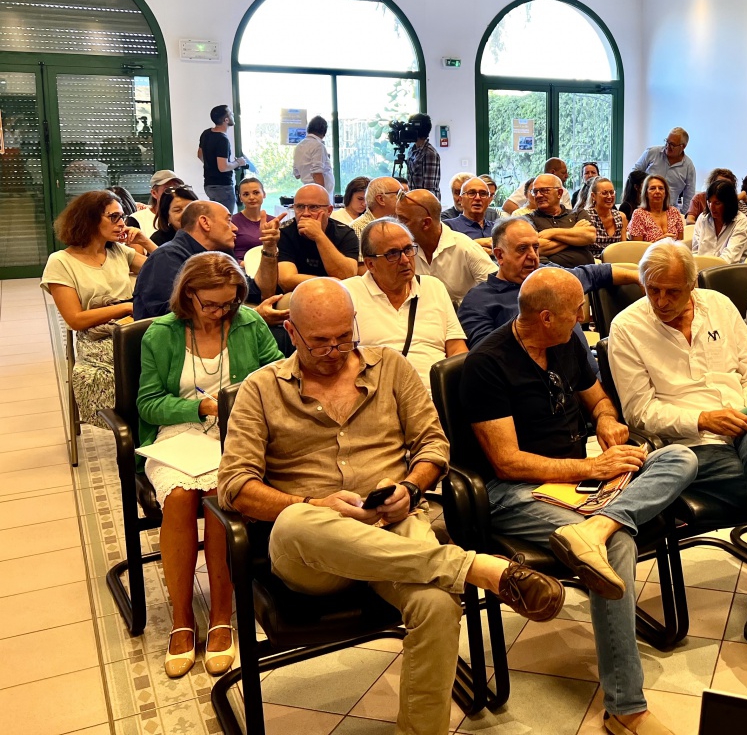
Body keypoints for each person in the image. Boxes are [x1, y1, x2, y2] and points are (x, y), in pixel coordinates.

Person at [219, 279, 565, 735]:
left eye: (344, 337)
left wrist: (411, 488)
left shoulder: (391, 368)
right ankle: (475, 567)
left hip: (393, 525)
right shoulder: (262, 389)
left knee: (437, 604)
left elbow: (433, 445)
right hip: (314, 550)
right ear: (292, 332)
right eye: (320, 341)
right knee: (295, 521)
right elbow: (234, 486)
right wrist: (316, 503)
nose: (334, 351)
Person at [462, 267, 698, 735]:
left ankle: (595, 526)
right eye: (576, 311)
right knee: (618, 545)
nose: (585, 316)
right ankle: (625, 708)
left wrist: (606, 421)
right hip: (516, 491)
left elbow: (598, 401)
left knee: (679, 458)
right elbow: (507, 463)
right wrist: (591, 468)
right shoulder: (487, 364)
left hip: (578, 479)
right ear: (546, 317)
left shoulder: (567, 342)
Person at [610, 242, 747, 673]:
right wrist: (703, 418)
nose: (660, 301)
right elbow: (639, 412)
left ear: (692, 285)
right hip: (690, 446)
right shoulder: (628, 327)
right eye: (652, 290)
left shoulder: (718, 305)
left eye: (672, 291)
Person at [136, 252, 282, 678]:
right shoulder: (161, 333)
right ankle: (182, 619)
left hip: (238, 432)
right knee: (180, 498)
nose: (221, 312)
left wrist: (242, 406)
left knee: (223, 495)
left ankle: (221, 616)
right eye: (211, 304)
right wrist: (199, 407)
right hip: (179, 434)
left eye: (229, 302)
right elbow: (147, 404)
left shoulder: (248, 323)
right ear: (188, 295)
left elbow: (278, 376)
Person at [42, 190, 151, 423]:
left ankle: (157, 421)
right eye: (114, 217)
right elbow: (75, 320)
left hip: (130, 327)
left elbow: (165, 270)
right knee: (130, 368)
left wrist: (145, 241)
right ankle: (135, 427)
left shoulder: (118, 251)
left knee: (168, 358)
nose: (121, 223)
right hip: (97, 337)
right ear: (89, 219)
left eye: (122, 217)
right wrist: (126, 308)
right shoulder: (61, 261)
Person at [457, 216, 638, 354]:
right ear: (499, 255)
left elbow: (597, 274)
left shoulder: (552, 276)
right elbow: (487, 356)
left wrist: (640, 277)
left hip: (590, 379)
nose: (532, 256)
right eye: (522, 249)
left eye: (535, 247)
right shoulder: (479, 300)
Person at [343, 218, 467, 384]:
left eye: (408, 249)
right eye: (393, 254)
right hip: (377, 393)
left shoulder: (433, 287)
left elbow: (456, 348)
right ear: (370, 264)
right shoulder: (347, 294)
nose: (405, 260)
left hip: (435, 392)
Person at [133, 201, 238, 319]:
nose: (235, 228)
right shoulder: (166, 257)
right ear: (205, 222)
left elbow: (250, 291)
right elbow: (167, 314)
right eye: (228, 221)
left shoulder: (222, 253)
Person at [396, 189, 497, 305]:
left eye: (403, 220)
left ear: (426, 223)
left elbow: (498, 288)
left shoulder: (465, 247)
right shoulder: (401, 251)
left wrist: (468, 309)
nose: (397, 225)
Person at [276, 184, 360, 291]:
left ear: (329, 211)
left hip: (337, 293)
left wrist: (319, 236)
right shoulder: (284, 232)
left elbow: (348, 276)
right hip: (297, 293)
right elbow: (286, 280)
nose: (305, 213)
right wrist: (329, 282)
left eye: (314, 207)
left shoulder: (345, 234)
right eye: (300, 207)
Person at [527, 173, 596, 268]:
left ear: (559, 193)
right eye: (535, 191)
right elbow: (537, 248)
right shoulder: (528, 219)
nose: (538, 195)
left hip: (587, 272)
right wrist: (575, 235)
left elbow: (590, 236)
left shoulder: (577, 213)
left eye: (544, 190)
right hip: (551, 273)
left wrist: (552, 233)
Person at [632, 127, 696, 213]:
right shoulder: (651, 153)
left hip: (669, 210)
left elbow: (689, 195)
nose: (668, 146)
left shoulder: (688, 166)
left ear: (683, 146)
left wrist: (684, 215)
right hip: (645, 207)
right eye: (667, 142)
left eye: (672, 145)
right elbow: (634, 174)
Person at [197, 104, 247, 211]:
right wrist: (239, 162)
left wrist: (211, 166)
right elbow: (223, 167)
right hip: (223, 187)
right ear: (226, 120)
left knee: (215, 216)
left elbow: (200, 155)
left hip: (209, 185)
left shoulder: (206, 133)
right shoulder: (222, 139)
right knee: (225, 218)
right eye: (231, 113)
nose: (233, 114)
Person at [690, 178, 747, 263]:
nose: (711, 207)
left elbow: (729, 259)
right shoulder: (703, 218)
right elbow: (696, 252)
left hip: (730, 269)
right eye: (709, 202)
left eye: (717, 203)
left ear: (728, 204)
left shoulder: (740, 221)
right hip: (703, 268)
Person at [349, 176, 401, 253]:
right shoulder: (358, 229)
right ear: (381, 199)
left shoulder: (402, 224)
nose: (405, 199)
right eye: (399, 194)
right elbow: (361, 261)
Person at [626, 174, 684, 244]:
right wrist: (660, 240)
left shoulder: (674, 212)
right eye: (652, 188)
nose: (657, 191)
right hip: (648, 251)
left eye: (661, 188)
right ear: (646, 193)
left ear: (665, 193)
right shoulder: (639, 214)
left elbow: (680, 242)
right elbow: (637, 247)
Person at [580, 176, 626, 259]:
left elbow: (623, 248)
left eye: (612, 192)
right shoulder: (586, 216)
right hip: (593, 262)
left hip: (616, 262)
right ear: (593, 196)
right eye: (604, 193)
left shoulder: (621, 217)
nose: (609, 196)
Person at [503, 159, 572, 213]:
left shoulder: (564, 192)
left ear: (559, 193)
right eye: (563, 172)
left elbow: (568, 213)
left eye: (546, 190)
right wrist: (527, 219)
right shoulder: (531, 185)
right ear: (552, 172)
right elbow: (508, 205)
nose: (567, 176)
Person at [443, 176, 499, 244]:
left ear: (488, 200)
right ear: (461, 200)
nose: (478, 198)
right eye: (472, 193)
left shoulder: (497, 228)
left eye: (483, 194)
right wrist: (484, 243)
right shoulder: (448, 227)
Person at [128, 170, 183, 237]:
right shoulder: (137, 219)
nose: (173, 192)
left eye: (176, 188)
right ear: (154, 193)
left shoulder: (184, 217)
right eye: (167, 189)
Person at [231, 176, 272, 264]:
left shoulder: (273, 221)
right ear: (240, 198)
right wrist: (241, 263)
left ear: (264, 194)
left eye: (256, 193)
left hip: (269, 265)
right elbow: (225, 251)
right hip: (241, 267)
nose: (251, 197)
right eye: (246, 194)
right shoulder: (232, 222)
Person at [292, 115, 334, 195]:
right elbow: (317, 173)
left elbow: (297, 175)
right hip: (318, 193)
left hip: (307, 190)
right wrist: (321, 195)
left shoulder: (299, 146)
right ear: (324, 132)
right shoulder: (318, 146)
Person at [405, 113, 441, 196]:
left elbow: (429, 188)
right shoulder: (412, 150)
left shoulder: (429, 153)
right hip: (412, 197)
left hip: (425, 200)